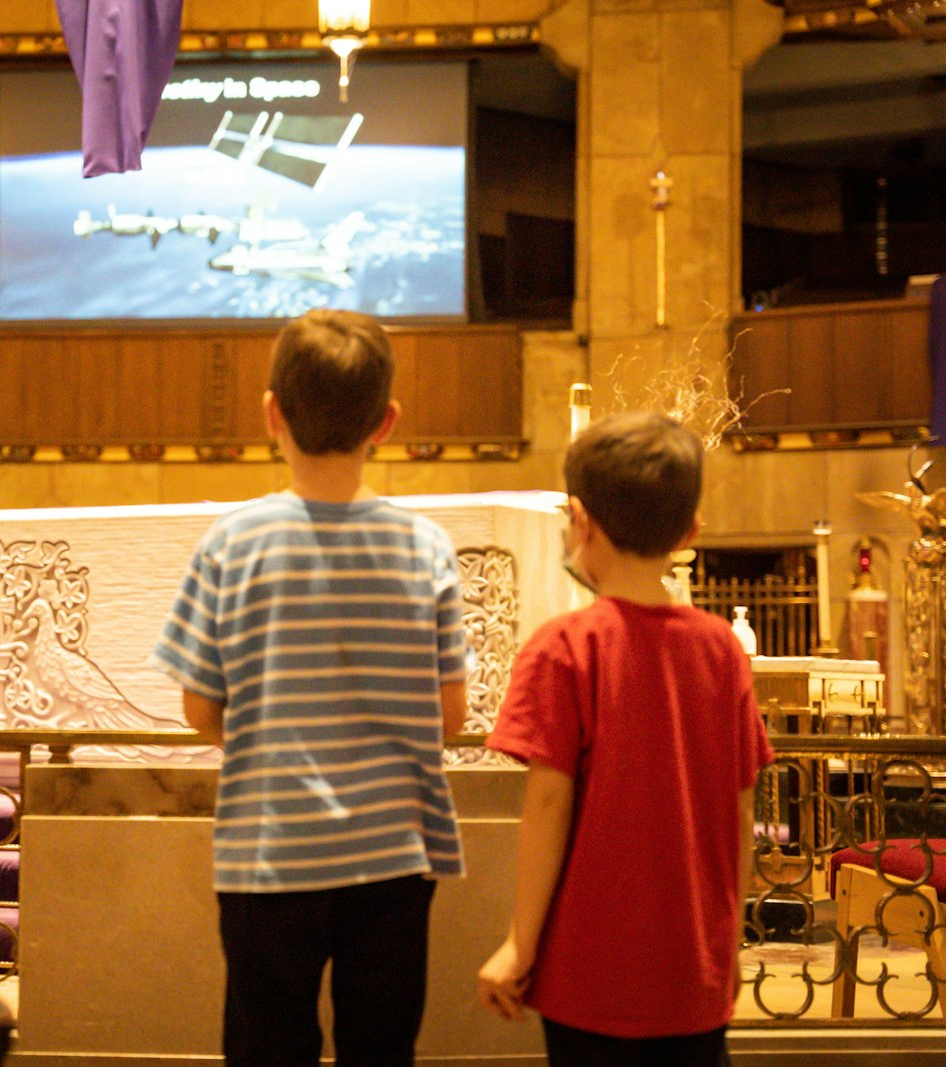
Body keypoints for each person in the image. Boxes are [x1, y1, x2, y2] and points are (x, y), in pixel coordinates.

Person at [151, 308, 472, 1067]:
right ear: (386, 422)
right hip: (392, 855)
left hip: (270, 855)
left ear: (271, 415)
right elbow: (451, 714)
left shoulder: (231, 544)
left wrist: (270, 733)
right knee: (380, 1050)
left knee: (269, 1049)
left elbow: (199, 706)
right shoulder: (424, 546)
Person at [476, 412, 776, 1066]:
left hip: (589, 973)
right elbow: (743, 807)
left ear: (579, 519)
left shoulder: (562, 649)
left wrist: (519, 946)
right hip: (692, 972)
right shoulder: (721, 650)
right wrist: (727, 950)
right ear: (689, 532)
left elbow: (549, 807)